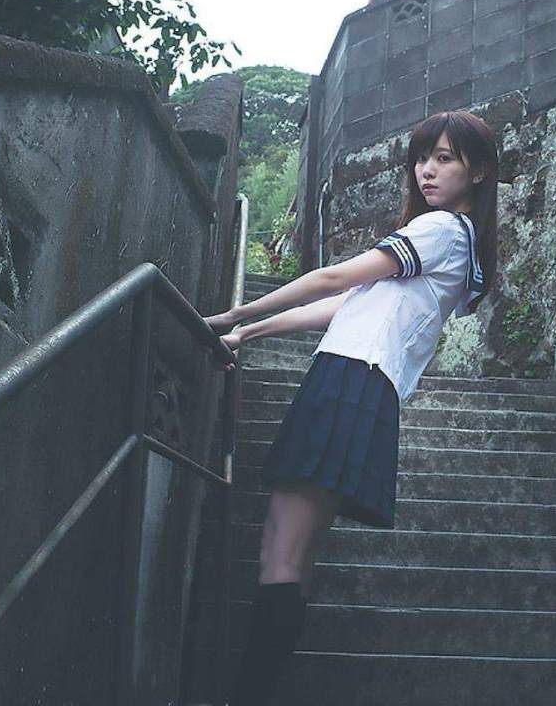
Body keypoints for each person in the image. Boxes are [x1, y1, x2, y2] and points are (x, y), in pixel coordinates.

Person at [203, 109, 500, 706]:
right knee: (294, 553)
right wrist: (249, 334)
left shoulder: (441, 229)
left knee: (281, 551)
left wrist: (237, 311)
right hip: (365, 384)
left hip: (351, 378)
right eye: (422, 158)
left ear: (478, 171)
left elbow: (332, 279)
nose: (426, 170)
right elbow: (345, 305)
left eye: (444, 158)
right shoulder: (455, 244)